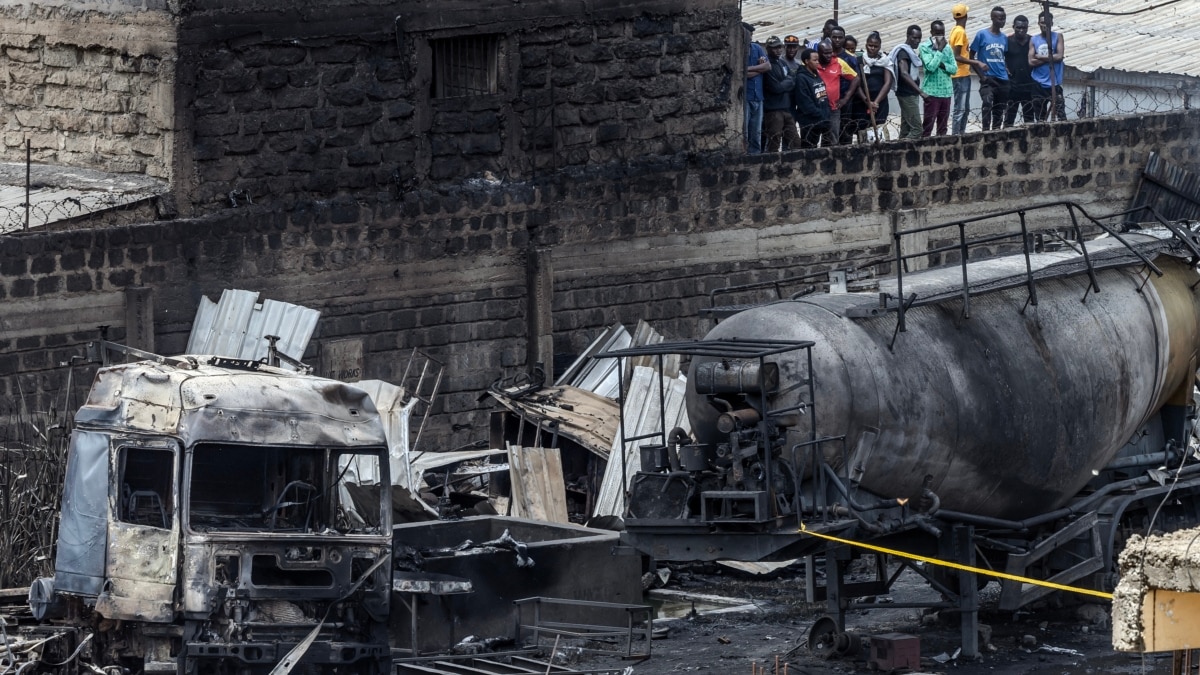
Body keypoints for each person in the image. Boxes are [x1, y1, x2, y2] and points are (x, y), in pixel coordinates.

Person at [970, 6, 1009, 131]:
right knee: (987, 103)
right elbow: (971, 57)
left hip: (1002, 79)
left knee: (999, 108)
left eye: (1004, 18)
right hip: (988, 79)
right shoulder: (982, 35)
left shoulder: (1004, 38)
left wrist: (1006, 69)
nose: (1002, 21)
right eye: (1000, 18)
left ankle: (996, 132)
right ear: (992, 18)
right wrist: (982, 76)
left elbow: (1004, 57)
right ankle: (985, 131)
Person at [949, 3, 986, 134]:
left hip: (961, 74)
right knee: (960, 109)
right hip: (960, 75)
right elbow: (957, 56)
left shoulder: (955, 30)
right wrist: (976, 62)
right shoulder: (960, 32)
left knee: (964, 108)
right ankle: (956, 135)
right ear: (966, 16)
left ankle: (961, 134)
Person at [816, 39, 860, 146]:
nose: (829, 55)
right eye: (825, 53)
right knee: (812, 139)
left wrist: (845, 98)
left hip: (833, 108)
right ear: (819, 53)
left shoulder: (838, 62)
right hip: (816, 108)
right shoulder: (813, 63)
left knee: (832, 140)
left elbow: (855, 78)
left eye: (830, 52)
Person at [762, 36, 801, 152]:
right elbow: (776, 88)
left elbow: (792, 80)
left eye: (779, 47)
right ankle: (770, 163)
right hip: (773, 110)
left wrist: (784, 83)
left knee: (795, 141)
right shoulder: (767, 65)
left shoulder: (782, 62)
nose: (778, 50)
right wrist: (786, 83)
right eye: (775, 48)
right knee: (774, 143)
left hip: (786, 108)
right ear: (768, 49)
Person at [919, 20, 957, 137]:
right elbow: (930, 67)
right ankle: (925, 146)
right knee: (928, 126)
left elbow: (954, 69)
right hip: (931, 92)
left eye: (942, 33)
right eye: (937, 33)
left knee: (943, 127)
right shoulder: (924, 47)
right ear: (931, 32)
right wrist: (939, 50)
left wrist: (942, 65)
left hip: (946, 92)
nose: (940, 36)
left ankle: (941, 146)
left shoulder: (948, 48)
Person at [1029, 11, 1065, 122]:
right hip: (1038, 83)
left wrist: (1040, 57)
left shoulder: (1058, 37)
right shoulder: (1034, 39)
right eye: (1043, 23)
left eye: (1048, 23)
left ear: (1052, 23)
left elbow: (1059, 56)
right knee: (1040, 118)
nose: (1045, 25)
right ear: (1038, 23)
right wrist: (1050, 58)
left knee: (1061, 116)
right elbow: (1031, 62)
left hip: (1055, 83)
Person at [792, 47, 832, 148]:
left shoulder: (815, 74)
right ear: (806, 61)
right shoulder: (801, 78)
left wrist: (826, 113)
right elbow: (804, 102)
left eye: (818, 60)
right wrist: (819, 114)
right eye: (815, 60)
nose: (818, 62)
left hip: (822, 119)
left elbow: (823, 94)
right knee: (809, 148)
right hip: (810, 121)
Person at [890, 25, 924, 141]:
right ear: (908, 36)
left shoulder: (910, 52)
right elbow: (904, 73)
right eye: (914, 38)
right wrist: (921, 92)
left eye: (919, 38)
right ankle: (904, 147)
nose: (917, 41)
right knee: (917, 129)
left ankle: (898, 148)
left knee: (906, 129)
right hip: (907, 94)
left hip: (910, 93)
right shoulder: (903, 52)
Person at [860, 32, 895, 140]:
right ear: (866, 45)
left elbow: (888, 82)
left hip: (880, 102)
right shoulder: (860, 61)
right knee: (864, 132)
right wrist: (867, 101)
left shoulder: (885, 61)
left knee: (879, 133)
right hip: (863, 101)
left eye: (875, 46)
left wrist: (875, 103)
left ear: (879, 47)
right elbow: (856, 84)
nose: (872, 48)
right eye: (870, 45)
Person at [743, 23, 771, 154]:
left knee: (756, 133)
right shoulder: (739, 51)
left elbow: (768, 66)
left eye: (751, 35)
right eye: (748, 34)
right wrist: (759, 70)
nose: (750, 37)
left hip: (758, 97)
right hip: (745, 97)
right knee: (744, 133)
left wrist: (750, 69)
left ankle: (755, 156)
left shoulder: (757, 48)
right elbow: (742, 74)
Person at [1003, 15, 1035, 126]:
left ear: (1027, 28)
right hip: (1013, 86)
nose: (1021, 30)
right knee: (1009, 118)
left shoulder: (1032, 41)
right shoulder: (1008, 41)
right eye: (1018, 27)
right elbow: (1000, 58)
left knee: (1029, 119)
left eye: (1024, 28)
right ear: (1013, 27)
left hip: (1029, 85)